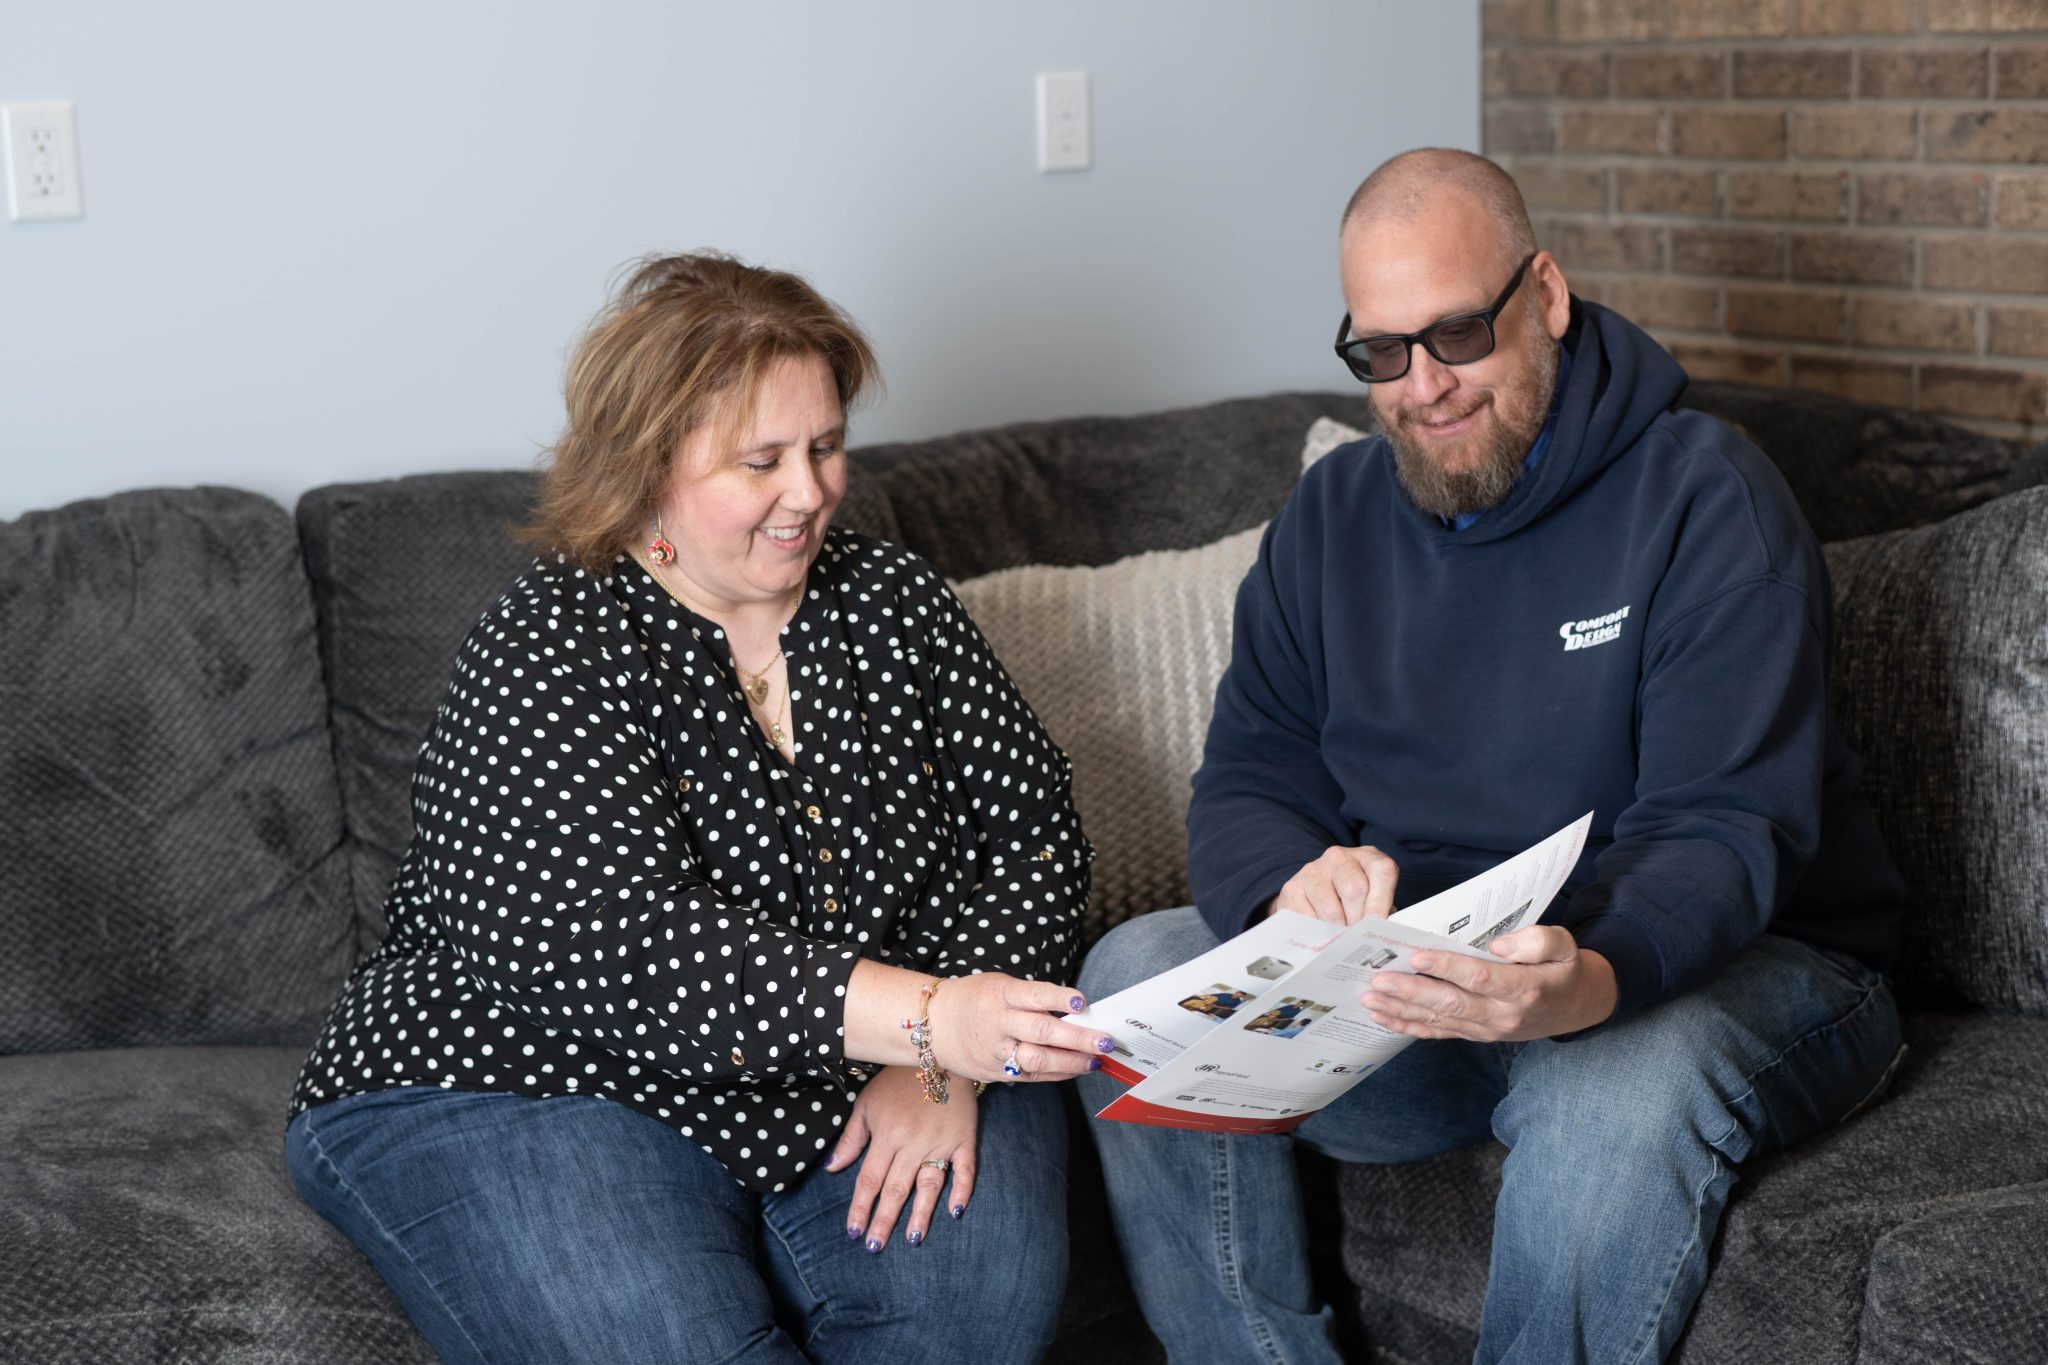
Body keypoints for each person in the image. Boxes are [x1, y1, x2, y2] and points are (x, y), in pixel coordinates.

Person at [1076, 149, 1906, 1364]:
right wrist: (1284, 882)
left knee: (1603, 1080)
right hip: (1427, 984)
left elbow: (1724, 833)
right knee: (1126, 975)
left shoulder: (1703, 495)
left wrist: (1585, 981)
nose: (1423, 387)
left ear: (1547, 295)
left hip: (1733, 961)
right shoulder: (1330, 516)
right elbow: (1252, 773)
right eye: (1380, 354)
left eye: (1457, 335)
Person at [286, 251, 1113, 1365]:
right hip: (531, 1070)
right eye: (759, 461)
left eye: (824, 447)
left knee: (968, 1320)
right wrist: (930, 1015)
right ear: (648, 466)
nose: (810, 491)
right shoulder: (548, 646)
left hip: (854, 1061)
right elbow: (618, 946)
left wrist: (942, 1066)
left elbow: (1031, 841)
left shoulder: (895, 604)